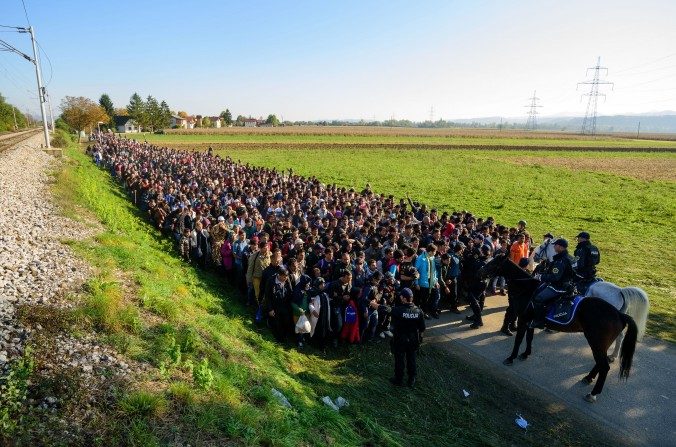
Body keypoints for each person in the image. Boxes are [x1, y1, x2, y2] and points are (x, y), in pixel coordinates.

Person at [530, 239, 575, 329]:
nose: (554, 247)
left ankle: (539, 321)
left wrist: (540, 277)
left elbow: (555, 277)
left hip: (558, 287)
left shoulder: (560, 261)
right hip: (568, 285)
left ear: (560, 247)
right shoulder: (570, 257)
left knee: (538, 298)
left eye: (555, 245)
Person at [389, 288, 426, 388]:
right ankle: (411, 379)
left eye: (401, 296)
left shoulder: (398, 310)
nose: (400, 297)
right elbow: (422, 328)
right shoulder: (419, 311)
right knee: (411, 359)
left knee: (399, 359)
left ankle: (398, 379)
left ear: (404, 298)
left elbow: (391, 319)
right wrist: (420, 339)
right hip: (413, 339)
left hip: (400, 339)